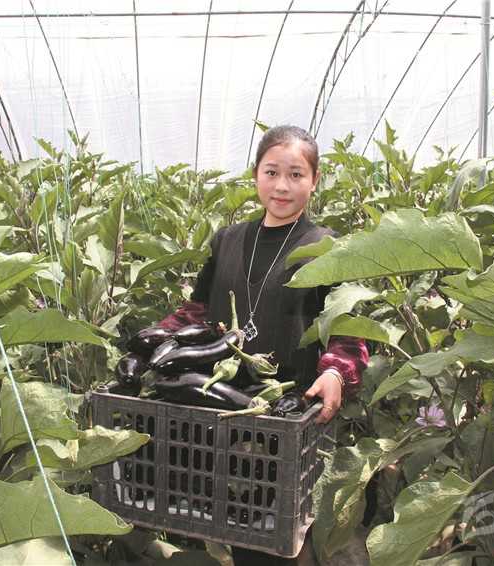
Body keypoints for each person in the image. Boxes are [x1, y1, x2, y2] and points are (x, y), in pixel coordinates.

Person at [157, 125, 368, 565]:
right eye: (272, 172)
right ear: (255, 174)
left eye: (296, 174)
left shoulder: (325, 247)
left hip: (286, 415)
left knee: (278, 533)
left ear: (314, 180)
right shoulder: (228, 240)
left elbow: (347, 326)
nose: (282, 186)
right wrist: (156, 340)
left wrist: (336, 371)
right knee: (233, 519)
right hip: (219, 407)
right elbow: (197, 311)